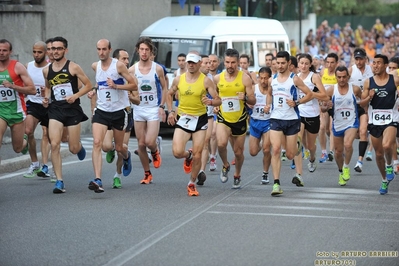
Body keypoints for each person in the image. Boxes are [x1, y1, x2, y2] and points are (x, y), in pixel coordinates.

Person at [42, 36, 92, 193]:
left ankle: (79, 147)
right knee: (54, 144)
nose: (55, 51)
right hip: (55, 109)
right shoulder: (46, 70)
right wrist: (46, 97)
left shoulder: (74, 67)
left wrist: (75, 96)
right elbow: (49, 86)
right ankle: (59, 181)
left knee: (73, 148)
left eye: (59, 48)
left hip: (72, 110)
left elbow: (89, 85)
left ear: (65, 50)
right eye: (53, 48)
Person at [167, 52, 220, 196]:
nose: (190, 65)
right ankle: (187, 156)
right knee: (177, 152)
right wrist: (171, 111)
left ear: (198, 64)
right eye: (188, 62)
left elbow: (218, 100)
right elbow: (169, 93)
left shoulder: (206, 81)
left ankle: (191, 183)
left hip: (200, 119)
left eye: (193, 62)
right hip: (183, 118)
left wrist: (211, 102)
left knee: (198, 153)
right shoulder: (179, 79)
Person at [86, 39, 137, 193]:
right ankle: (98, 179)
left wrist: (116, 86)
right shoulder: (95, 66)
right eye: (98, 49)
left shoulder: (119, 66)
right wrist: (94, 90)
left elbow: (134, 85)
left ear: (109, 50)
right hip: (102, 111)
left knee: (120, 147)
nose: (101, 52)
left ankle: (126, 156)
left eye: (104, 49)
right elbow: (100, 83)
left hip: (118, 112)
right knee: (97, 143)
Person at [265, 51, 313, 196]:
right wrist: (268, 106)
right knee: (276, 149)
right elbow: (269, 94)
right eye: (277, 63)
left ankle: (299, 146)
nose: (279, 66)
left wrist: (296, 102)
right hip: (276, 119)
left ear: (288, 64)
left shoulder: (295, 79)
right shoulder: (271, 79)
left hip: (292, 120)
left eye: (282, 63)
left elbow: (310, 94)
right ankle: (276, 184)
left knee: (291, 154)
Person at [214, 48, 255, 189]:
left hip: (240, 119)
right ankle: (225, 164)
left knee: (238, 153)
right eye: (227, 62)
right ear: (223, 62)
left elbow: (253, 100)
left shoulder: (245, 78)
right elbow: (214, 96)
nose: (230, 65)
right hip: (223, 117)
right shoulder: (217, 78)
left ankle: (237, 174)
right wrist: (215, 104)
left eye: (233, 63)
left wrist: (246, 97)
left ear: (238, 62)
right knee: (221, 144)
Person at [128, 37, 166, 184]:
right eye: (141, 49)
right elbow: (130, 90)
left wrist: (162, 106)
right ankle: (147, 174)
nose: (144, 52)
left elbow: (164, 88)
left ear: (151, 52)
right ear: (138, 51)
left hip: (152, 109)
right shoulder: (132, 70)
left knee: (150, 142)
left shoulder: (157, 69)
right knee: (141, 144)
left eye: (147, 50)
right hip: (138, 109)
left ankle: (155, 151)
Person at [361, 54, 399, 195]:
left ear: (385, 65)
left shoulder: (394, 79)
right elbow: (362, 103)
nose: (375, 65)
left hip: (391, 117)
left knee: (387, 145)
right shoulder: (368, 82)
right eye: (373, 63)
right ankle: (384, 179)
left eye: (378, 63)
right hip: (374, 120)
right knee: (378, 154)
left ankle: (389, 165)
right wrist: (369, 97)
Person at [102, 48, 140, 189]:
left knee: (121, 149)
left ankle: (117, 176)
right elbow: (97, 90)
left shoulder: (131, 78)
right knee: (106, 146)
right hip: (108, 112)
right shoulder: (106, 74)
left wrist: (130, 97)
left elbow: (138, 100)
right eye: (123, 59)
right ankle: (112, 148)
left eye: (127, 58)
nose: (127, 61)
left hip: (125, 113)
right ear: (116, 60)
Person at [323, 66, 363, 186]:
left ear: (348, 77)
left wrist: (365, 117)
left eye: (344, 77)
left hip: (351, 122)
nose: (341, 79)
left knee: (348, 144)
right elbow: (323, 107)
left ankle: (346, 167)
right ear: (336, 77)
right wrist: (326, 106)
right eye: (339, 77)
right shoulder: (331, 90)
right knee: (338, 152)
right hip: (337, 123)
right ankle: (341, 171)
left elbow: (363, 102)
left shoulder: (355, 89)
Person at [294, 53, 329, 180]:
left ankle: (312, 158)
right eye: (301, 63)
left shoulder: (313, 77)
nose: (303, 66)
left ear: (310, 65)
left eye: (306, 63)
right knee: (298, 139)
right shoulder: (295, 77)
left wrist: (311, 94)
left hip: (312, 114)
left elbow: (325, 96)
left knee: (310, 145)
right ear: (298, 64)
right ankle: (298, 173)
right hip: (299, 112)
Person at [0, 39, 35, 155]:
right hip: (1, 111)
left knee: (18, 148)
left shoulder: (18, 67)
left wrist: (12, 86)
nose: (1, 52)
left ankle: (25, 140)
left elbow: (32, 90)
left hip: (17, 111)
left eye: (4, 50)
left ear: (10, 52)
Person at [23, 41, 52, 178]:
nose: (36, 54)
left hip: (50, 105)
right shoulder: (28, 66)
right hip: (34, 104)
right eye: (34, 51)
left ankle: (48, 167)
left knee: (48, 135)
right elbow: (23, 85)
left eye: (39, 52)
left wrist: (46, 92)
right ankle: (35, 164)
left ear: (45, 53)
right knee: (28, 131)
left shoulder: (51, 67)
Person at [349, 48, 374, 173]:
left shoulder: (372, 70)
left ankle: (359, 161)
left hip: (368, 105)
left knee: (363, 132)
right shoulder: (351, 71)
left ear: (365, 59)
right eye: (356, 59)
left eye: (361, 59)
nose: (359, 62)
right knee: (354, 134)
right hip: (353, 106)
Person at [248, 67, 272, 184]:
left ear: (270, 78)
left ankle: (265, 173)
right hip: (255, 121)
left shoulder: (273, 90)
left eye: (266, 78)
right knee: (253, 152)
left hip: (268, 122)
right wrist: (248, 104)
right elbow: (246, 100)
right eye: (261, 78)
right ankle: (262, 142)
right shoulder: (253, 88)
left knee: (267, 150)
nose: (263, 81)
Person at [196, 54, 215, 185]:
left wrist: (214, 103)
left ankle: (201, 171)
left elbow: (217, 96)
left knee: (205, 141)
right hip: (192, 114)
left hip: (208, 114)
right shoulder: (190, 77)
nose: (209, 65)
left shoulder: (212, 79)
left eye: (210, 63)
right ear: (199, 64)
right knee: (196, 145)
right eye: (206, 63)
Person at [319, 52, 339, 163]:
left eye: (332, 63)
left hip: (335, 104)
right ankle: (323, 151)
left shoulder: (339, 73)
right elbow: (319, 86)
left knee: (331, 128)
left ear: (336, 63)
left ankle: (330, 151)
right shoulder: (323, 72)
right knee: (323, 128)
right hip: (324, 103)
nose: (329, 65)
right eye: (328, 62)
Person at [208, 54, 221, 171]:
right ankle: (208, 152)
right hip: (203, 106)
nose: (211, 63)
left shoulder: (220, 76)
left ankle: (213, 156)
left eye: (214, 61)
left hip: (215, 106)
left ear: (218, 63)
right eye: (209, 61)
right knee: (205, 135)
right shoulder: (202, 75)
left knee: (213, 133)